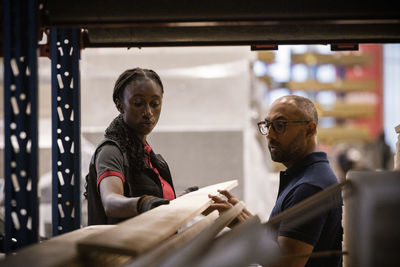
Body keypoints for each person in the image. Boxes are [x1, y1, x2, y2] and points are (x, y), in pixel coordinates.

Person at [209, 95, 342, 267]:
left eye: (280, 125)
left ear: (309, 129)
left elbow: (285, 263)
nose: (269, 134)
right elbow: (277, 243)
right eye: (267, 125)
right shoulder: (306, 177)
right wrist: (239, 215)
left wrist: (240, 227)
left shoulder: (309, 187)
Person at [85, 68, 176, 225]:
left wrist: (183, 201)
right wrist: (142, 204)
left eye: (155, 104)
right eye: (138, 103)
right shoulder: (111, 151)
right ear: (120, 106)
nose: (148, 112)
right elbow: (110, 201)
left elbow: (157, 204)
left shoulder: (150, 157)